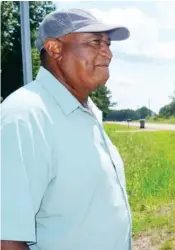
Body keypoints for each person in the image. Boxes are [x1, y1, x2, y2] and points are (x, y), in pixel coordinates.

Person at [1, 9, 132, 250]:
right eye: (95, 42)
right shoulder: (24, 116)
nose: (108, 53)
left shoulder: (87, 111)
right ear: (55, 49)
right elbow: (7, 239)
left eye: (108, 43)